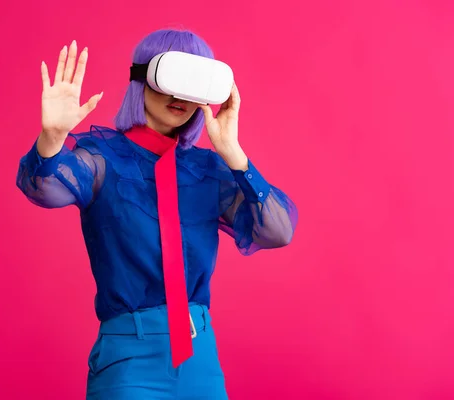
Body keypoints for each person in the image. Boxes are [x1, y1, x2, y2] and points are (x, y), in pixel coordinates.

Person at [16, 28, 298, 400]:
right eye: (171, 79)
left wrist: (233, 153)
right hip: (128, 358)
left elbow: (277, 231)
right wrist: (51, 138)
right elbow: (42, 187)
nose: (180, 96)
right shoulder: (101, 159)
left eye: (193, 84)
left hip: (200, 358)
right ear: (142, 77)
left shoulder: (209, 171)